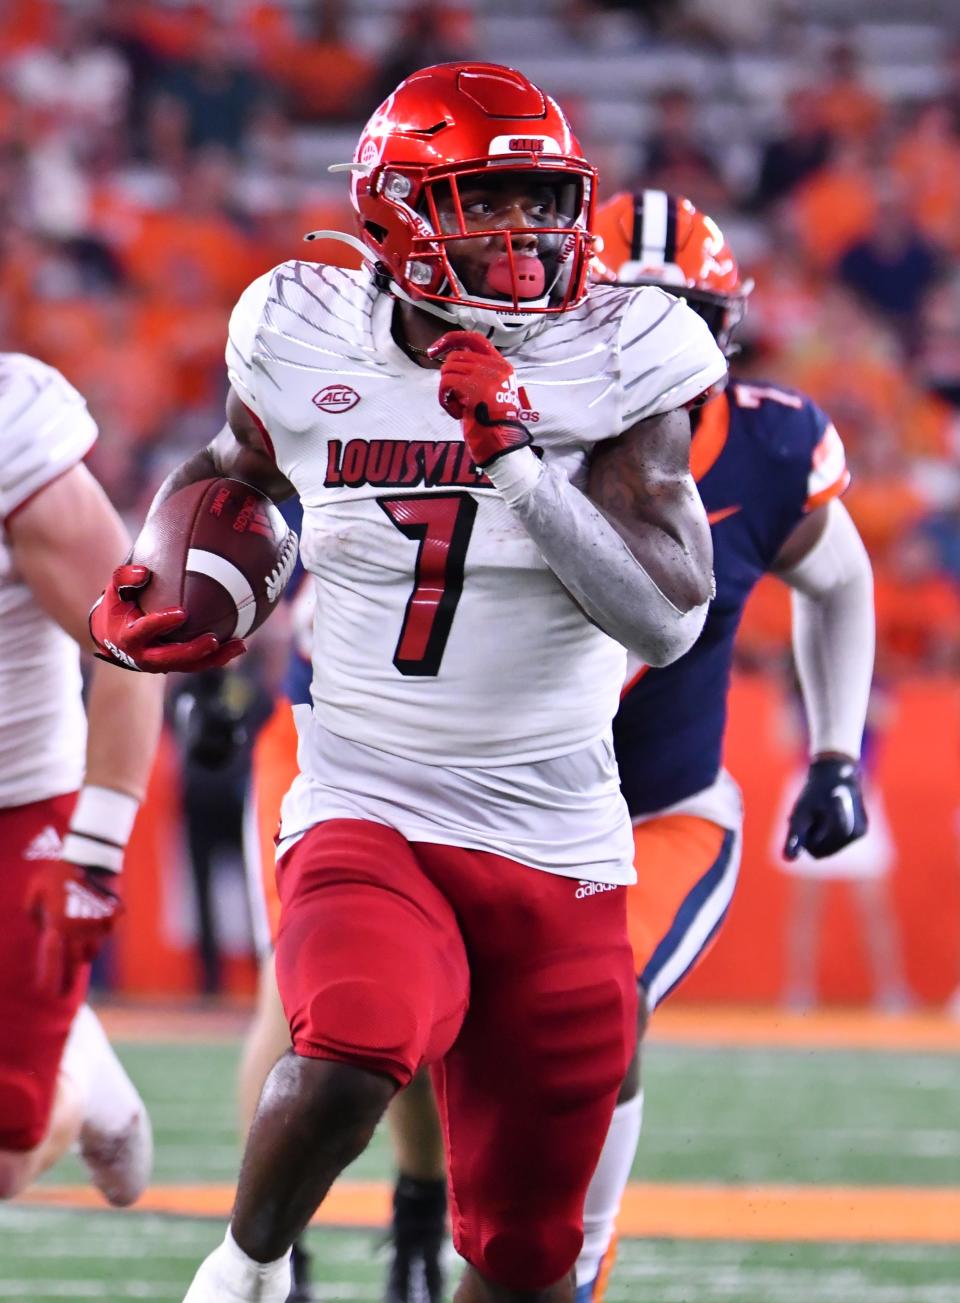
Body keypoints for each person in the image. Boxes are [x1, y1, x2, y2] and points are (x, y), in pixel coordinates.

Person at [90, 63, 727, 1303]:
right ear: (394, 210)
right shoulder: (299, 328)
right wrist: (178, 572)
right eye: (491, 201)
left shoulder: (627, 349)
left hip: (557, 833)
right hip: (368, 791)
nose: (531, 234)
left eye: (547, 202)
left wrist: (523, 468)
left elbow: (664, 619)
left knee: (528, 1261)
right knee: (352, 1043)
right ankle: (246, 1269)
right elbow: (238, 468)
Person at [562, 190, 876, 1301]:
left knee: (602, 1005)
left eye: (685, 316)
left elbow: (839, 581)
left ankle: (576, 1268)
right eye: (631, 314)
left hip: (660, 813)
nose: (657, 346)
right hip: (496, 805)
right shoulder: (507, 427)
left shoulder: (769, 445)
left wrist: (837, 752)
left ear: (724, 327)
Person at [239, 503, 448, 1303]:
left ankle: (420, 1228)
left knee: (424, 1002)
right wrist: (219, 670)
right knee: (287, 990)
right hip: (316, 738)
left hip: (444, 751)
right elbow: (233, 538)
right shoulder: (327, 399)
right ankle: (270, 1252)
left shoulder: (499, 415)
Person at [0, 350, 164, 1204]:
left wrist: (95, 850)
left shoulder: (11, 429)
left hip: (17, 801)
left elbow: (133, 643)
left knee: (4, 1157)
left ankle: (78, 1063)